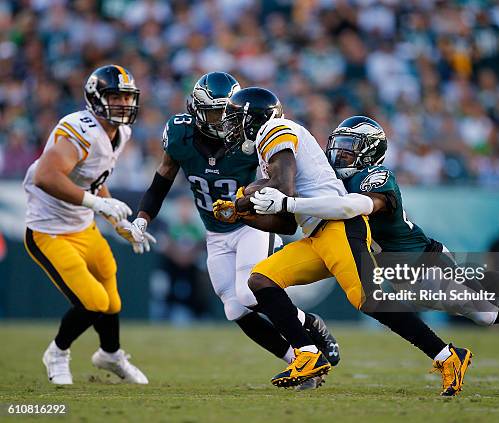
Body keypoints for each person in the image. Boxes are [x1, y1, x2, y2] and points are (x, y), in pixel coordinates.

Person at [252, 115, 499, 381]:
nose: (340, 153)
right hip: (397, 271)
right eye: (339, 145)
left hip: (422, 260)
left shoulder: (377, 178)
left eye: (350, 147)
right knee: (482, 298)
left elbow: (352, 208)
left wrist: (286, 202)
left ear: (369, 151)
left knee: (485, 312)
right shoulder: (332, 178)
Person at [213, 89, 472, 396]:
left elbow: (284, 189)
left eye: (235, 118)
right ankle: (308, 352)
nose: (230, 125)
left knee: (367, 299)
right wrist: (241, 216)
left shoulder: (275, 129)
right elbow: (283, 220)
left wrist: (243, 201)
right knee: (261, 280)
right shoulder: (265, 152)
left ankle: (448, 357)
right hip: (317, 234)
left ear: (254, 119)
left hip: (339, 227)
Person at [128, 73, 339, 389]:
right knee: (234, 308)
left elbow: (277, 181)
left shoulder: (249, 140)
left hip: (251, 224)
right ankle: (297, 362)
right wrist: (143, 218)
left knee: (248, 291)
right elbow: (162, 179)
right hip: (215, 232)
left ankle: (309, 329)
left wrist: (249, 202)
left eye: (228, 113)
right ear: (197, 111)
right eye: (215, 113)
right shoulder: (180, 135)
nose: (223, 122)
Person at [23, 65, 154, 385]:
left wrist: (115, 218)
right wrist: (96, 204)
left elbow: (95, 181)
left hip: (82, 226)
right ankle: (57, 351)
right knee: (93, 301)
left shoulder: (120, 133)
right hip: (49, 229)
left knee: (112, 295)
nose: (124, 104)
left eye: (127, 97)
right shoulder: (80, 128)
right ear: (96, 99)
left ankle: (110, 354)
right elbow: (46, 176)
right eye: (115, 96)